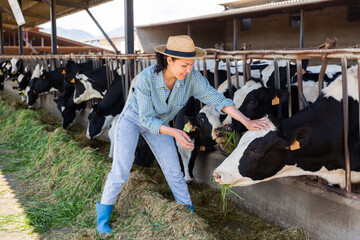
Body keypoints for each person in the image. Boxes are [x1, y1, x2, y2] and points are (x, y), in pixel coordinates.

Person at [96, 35, 269, 235]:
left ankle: (188, 215)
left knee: (175, 173)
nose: (189, 70)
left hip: (160, 123)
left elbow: (217, 99)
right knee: (120, 171)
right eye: (184, 65)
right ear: (169, 60)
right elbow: (145, 120)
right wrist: (175, 132)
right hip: (134, 120)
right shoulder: (146, 78)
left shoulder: (192, 79)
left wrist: (246, 121)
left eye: (192, 65)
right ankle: (102, 221)